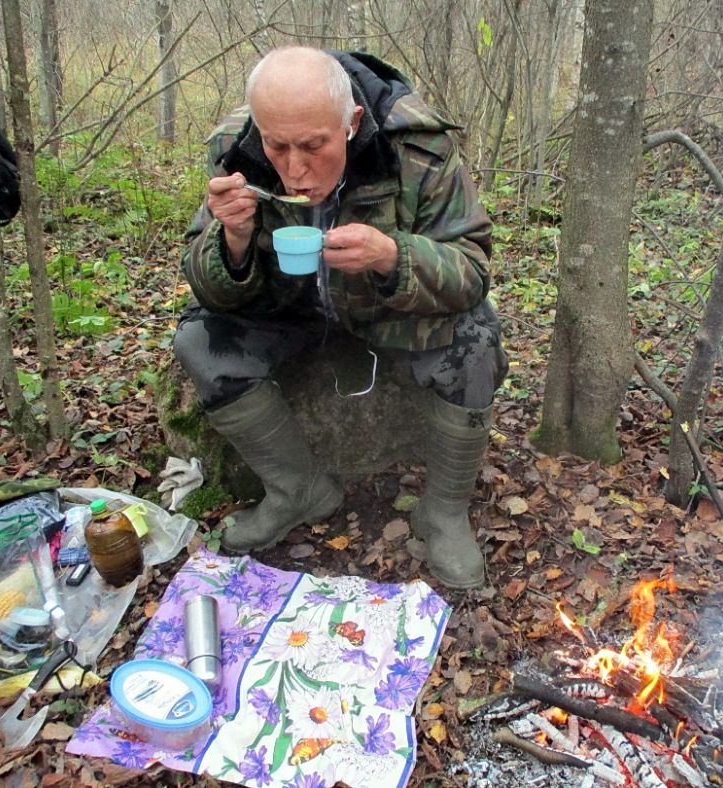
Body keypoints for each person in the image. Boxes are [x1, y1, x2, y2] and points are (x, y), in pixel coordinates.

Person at [173, 47, 507, 589]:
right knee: (198, 342)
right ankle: (298, 489)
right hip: (288, 310)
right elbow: (209, 290)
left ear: (351, 123)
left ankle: (442, 512)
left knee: (476, 339)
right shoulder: (237, 148)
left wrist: (393, 256)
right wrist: (231, 239)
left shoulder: (417, 147)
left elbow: (471, 270)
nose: (294, 167)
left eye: (313, 146)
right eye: (277, 146)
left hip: (388, 309)